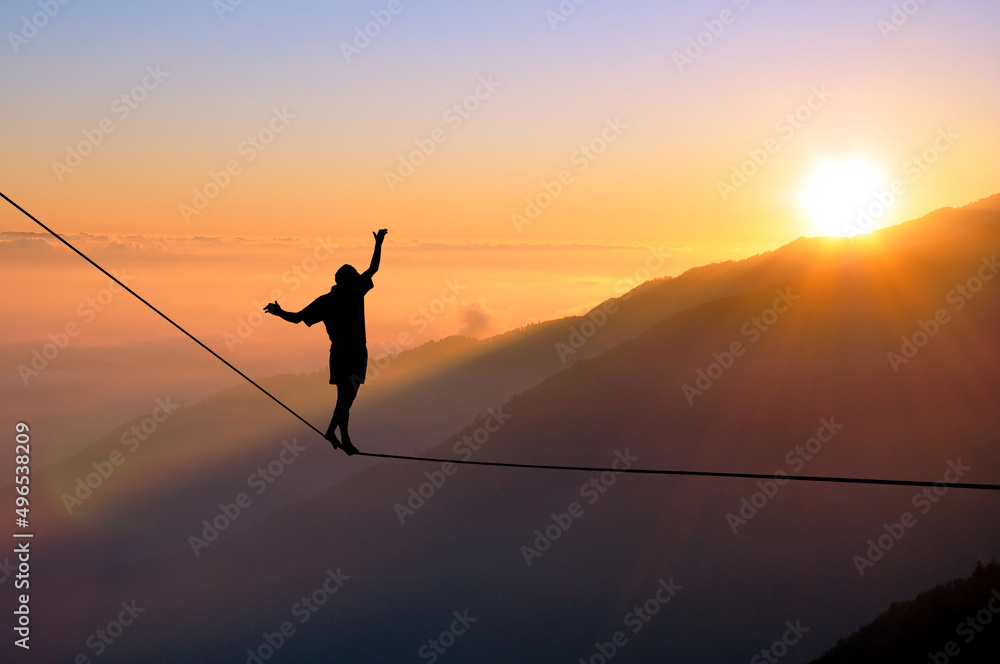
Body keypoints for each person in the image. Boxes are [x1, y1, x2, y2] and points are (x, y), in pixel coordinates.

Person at [264, 229, 387, 455]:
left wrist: (279, 312)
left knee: (345, 399)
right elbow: (374, 268)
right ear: (350, 280)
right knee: (347, 399)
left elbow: (298, 317)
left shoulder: (327, 301)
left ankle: (337, 434)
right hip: (356, 354)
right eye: (355, 275)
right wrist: (379, 243)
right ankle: (339, 435)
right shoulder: (354, 292)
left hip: (341, 354)